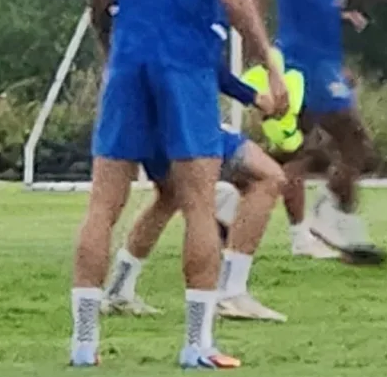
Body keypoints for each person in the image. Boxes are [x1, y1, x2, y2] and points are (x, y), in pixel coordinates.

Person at [71, 0, 288, 370]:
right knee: (196, 203)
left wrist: (107, 43)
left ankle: (84, 344)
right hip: (185, 65)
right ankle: (196, 343)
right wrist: (268, 61)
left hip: (129, 61)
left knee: (103, 205)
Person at [254, 0, 387, 265]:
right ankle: (331, 219)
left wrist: (362, 0)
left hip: (324, 58)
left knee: (294, 152)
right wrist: (259, 46)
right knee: (355, 145)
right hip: (304, 61)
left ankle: (233, 199)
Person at [105, 65, 294, 322]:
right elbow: (206, 60)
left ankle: (118, 289)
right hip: (184, 117)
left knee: (169, 196)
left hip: (146, 117)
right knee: (267, 176)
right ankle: (230, 292)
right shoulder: (187, 26)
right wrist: (255, 96)